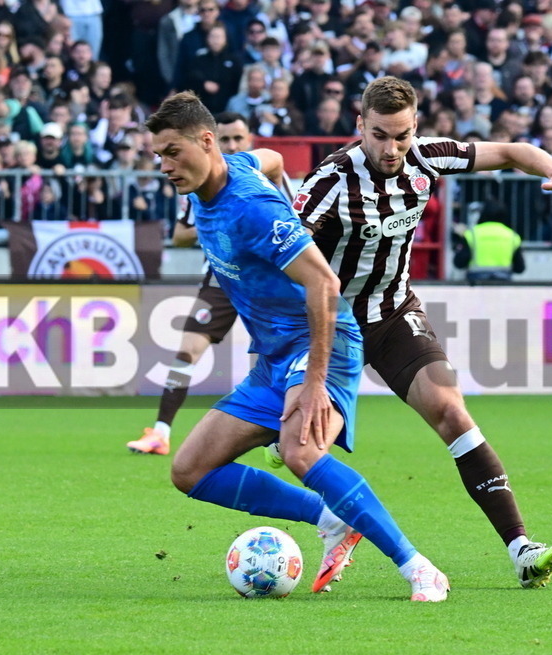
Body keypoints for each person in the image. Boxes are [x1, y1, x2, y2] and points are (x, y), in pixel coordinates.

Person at [295, 76, 552, 589]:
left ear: (415, 127)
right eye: (380, 136)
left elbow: (510, 150)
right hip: (332, 325)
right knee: (299, 443)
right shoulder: (329, 182)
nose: (392, 149)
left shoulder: (428, 156)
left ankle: (521, 548)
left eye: (402, 135)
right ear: (359, 127)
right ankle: (333, 523)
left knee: (452, 412)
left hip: (393, 314)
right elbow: (287, 257)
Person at [145, 91, 449, 601]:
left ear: (205, 141)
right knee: (189, 470)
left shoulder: (254, 210)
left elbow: (326, 286)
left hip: (322, 342)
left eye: (172, 151)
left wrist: (312, 383)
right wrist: (286, 185)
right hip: (274, 358)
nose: (165, 165)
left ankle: (418, 567)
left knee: (300, 451)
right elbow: (271, 159)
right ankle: (331, 517)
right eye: (158, 155)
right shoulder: (221, 175)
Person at [128, 112, 291, 455]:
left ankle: (281, 429)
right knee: (188, 349)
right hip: (222, 276)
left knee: (279, 354)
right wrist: (218, 224)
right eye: (226, 140)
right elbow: (179, 235)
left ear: (249, 141)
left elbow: (293, 212)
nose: (231, 146)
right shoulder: (199, 185)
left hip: (267, 280)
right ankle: (160, 432)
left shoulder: (257, 178)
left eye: (238, 140)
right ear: (213, 141)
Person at [462, 199, 525, 283]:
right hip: (503, 281)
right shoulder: (512, 236)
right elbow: (520, 268)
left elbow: (459, 262)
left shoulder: (472, 234)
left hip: (476, 281)